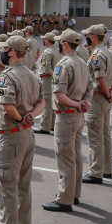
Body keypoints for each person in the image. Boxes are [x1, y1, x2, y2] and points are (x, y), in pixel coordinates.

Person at [0, 36, 44, 224]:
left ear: (11, 52)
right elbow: (42, 102)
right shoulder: (30, 74)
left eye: (5, 49)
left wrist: (21, 118)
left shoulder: (6, 76)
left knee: (7, 187)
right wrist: (31, 117)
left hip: (12, 135)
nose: (2, 52)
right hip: (27, 135)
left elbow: (8, 106)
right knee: (23, 185)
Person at [43, 30, 92, 212]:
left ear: (64, 44)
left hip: (67, 115)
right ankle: (74, 193)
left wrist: (78, 104)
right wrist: (84, 103)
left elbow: (60, 96)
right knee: (76, 156)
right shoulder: (82, 62)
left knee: (65, 158)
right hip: (78, 116)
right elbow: (90, 89)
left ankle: (64, 198)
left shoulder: (63, 64)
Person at [81, 25, 112, 185]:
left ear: (93, 36)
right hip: (107, 96)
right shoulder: (109, 51)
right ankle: (106, 168)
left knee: (95, 136)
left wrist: (108, 94)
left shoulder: (97, 55)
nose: (86, 38)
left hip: (99, 97)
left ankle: (96, 172)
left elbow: (101, 80)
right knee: (105, 134)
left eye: (87, 35)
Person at [34, 31, 58, 134]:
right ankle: (51, 124)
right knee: (52, 102)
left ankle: (45, 126)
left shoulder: (48, 52)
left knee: (46, 103)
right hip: (55, 79)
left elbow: (47, 69)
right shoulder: (57, 50)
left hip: (48, 79)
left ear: (47, 41)